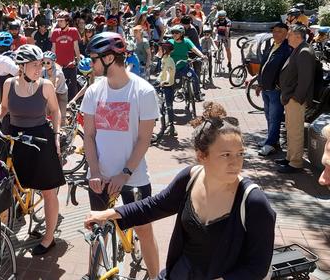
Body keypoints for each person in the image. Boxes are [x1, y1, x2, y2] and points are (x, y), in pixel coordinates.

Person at [85, 101, 276, 279]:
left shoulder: (253, 202)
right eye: (226, 155)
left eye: (240, 153)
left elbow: (258, 266)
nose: (236, 162)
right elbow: (155, 205)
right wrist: (108, 214)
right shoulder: (190, 178)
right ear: (202, 156)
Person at [80, 31, 160, 278]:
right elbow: (89, 136)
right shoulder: (94, 91)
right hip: (100, 178)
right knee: (97, 230)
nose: (89, 64)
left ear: (110, 58)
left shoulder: (143, 91)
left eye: (93, 58)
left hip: (133, 178)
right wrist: (94, 172)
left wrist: (124, 174)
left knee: (144, 230)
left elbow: (144, 139)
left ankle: (156, 275)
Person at [0, 44, 64, 255]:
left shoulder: (45, 85)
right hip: (15, 137)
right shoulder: (9, 84)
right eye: (34, 65)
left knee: (47, 191)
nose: (39, 69)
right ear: (22, 66)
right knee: (9, 183)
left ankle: (49, 238)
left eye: (41, 64)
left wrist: (56, 136)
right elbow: (3, 108)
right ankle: (6, 223)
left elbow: (55, 112)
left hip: (40, 139)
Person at [278, 25, 316, 174]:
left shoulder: (304, 51)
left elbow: (305, 80)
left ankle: (295, 162)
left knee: (295, 131)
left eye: (290, 35)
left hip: (295, 99)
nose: (287, 37)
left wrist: (296, 98)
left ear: (298, 36)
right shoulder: (299, 49)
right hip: (291, 98)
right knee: (290, 129)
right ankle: (290, 157)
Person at [256, 23, 292, 157]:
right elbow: (264, 65)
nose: (275, 34)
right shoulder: (273, 45)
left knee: (274, 117)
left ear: (286, 33)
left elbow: (286, 72)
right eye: (274, 31)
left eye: (279, 31)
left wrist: (278, 86)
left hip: (275, 90)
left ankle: (270, 144)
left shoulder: (287, 49)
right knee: (268, 115)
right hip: (266, 88)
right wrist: (260, 84)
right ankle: (272, 139)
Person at [169, 25, 207, 102]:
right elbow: (164, 53)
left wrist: (202, 55)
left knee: (195, 77)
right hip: (172, 68)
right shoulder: (170, 42)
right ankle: (170, 98)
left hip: (184, 66)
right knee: (170, 84)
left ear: (181, 33)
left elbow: (195, 49)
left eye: (176, 32)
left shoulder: (187, 41)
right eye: (173, 32)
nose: (174, 34)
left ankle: (197, 94)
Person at [51, 12, 82, 100]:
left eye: (61, 21)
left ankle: (72, 104)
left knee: (72, 87)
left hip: (70, 64)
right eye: (58, 21)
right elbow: (53, 48)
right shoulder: (55, 32)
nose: (59, 23)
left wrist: (79, 61)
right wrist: (52, 63)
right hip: (58, 65)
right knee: (58, 87)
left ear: (67, 21)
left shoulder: (73, 31)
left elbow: (76, 47)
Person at [42, 51, 68, 127]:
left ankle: (63, 132)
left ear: (53, 62)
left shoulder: (57, 72)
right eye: (43, 62)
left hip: (61, 93)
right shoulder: (43, 70)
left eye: (48, 63)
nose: (45, 65)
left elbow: (54, 85)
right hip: (51, 92)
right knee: (45, 113)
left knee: (61, 115)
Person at [158, 41, 177, 135]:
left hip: (167, 86)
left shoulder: (169, 60)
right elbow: (163, 71)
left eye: (160, 49)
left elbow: (169, 73)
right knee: (161, 106)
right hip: (162, 84)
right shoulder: (163, 59)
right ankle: (163, 125)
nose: (159, 51)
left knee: (168, 106)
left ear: (165, 51)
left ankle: (171, 126)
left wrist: (166, 81)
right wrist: (159, 79)